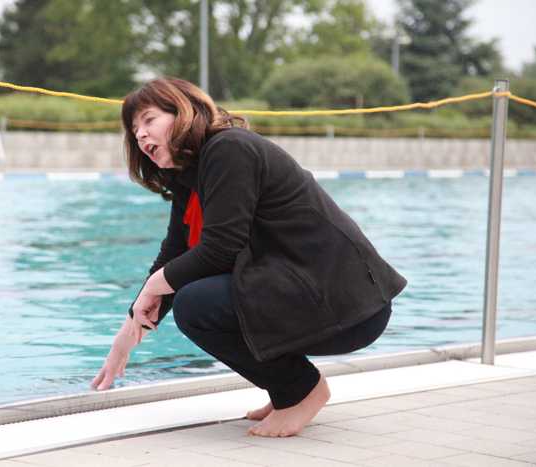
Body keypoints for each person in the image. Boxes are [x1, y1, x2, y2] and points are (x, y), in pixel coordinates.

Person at [91, 77, 407, 437]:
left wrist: (153, 287)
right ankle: (286, 389)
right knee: (193, 293)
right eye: (134, 131)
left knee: (197, 305)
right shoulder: (190, 177)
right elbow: (175, 254)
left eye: (149, 120)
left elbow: (220, 248)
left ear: (182, 111)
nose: (141, 136)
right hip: (308, 294)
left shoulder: (229, 150)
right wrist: (130, 329)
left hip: (347, 303)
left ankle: (301, 390)